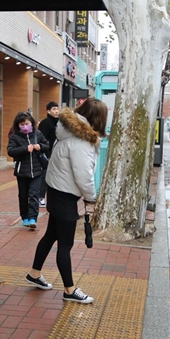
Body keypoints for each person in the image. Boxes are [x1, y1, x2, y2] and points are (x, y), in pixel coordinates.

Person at [25, 98, 107, 304]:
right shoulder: (81, 142)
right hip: (65, 196)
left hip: (56, 191)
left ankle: (34, 274)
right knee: (65, 244)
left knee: (51, 234)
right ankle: (69, 289)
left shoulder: (66, 133)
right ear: (97, 119)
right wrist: (91, 198)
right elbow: (84, 175)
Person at [7, 111, 50, 229]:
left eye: (27, 123)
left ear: (31, 123)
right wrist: (25, 149)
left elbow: (47, 146)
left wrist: (40, 147)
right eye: (22, 124)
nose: (25, 126)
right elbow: (10, 151)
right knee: (23, 196)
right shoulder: (15, 137)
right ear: (18, 125)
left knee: (34, 195)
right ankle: (25, 217)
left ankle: (33, 219)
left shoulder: (38, 134)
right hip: (22, 172)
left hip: (37, 171)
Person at [37, 101, 60, 208]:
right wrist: (47, 154)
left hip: (57, 154)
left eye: (57, 109)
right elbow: (42, 140)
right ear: (48, 111)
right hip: (47, 154)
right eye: (54, 109)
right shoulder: (45, 123)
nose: (56, 111)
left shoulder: (59, 123)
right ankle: (40, 197)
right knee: (44, 176)